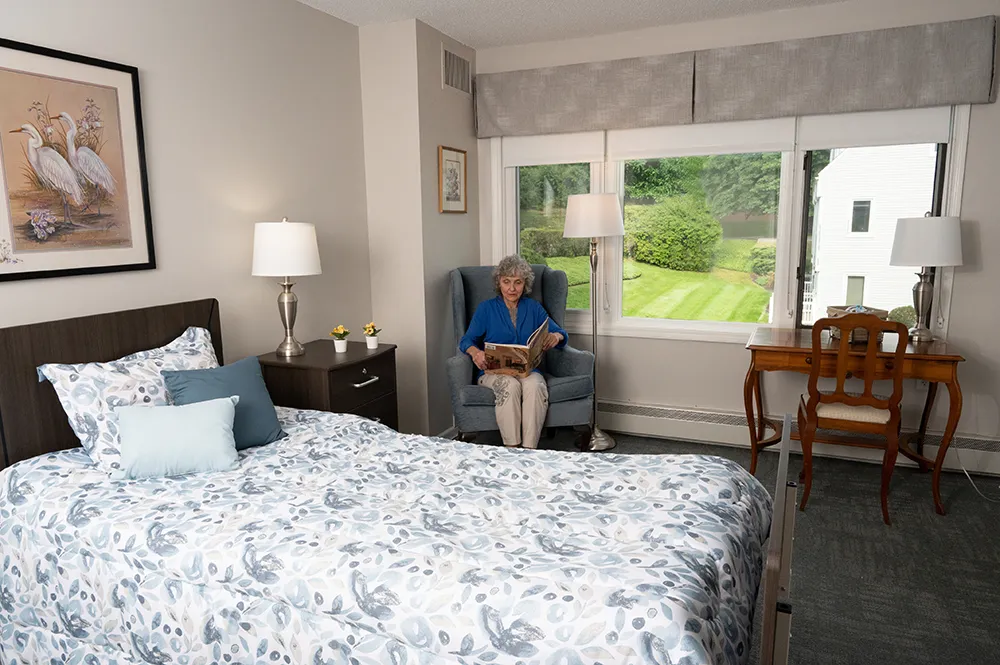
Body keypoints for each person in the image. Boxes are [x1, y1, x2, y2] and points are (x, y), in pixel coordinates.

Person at [459, 254, 568, 449]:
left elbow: (559, 332)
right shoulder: (486, 309)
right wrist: (476, 353)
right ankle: (512, 449)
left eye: (517, 282)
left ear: (524, 284)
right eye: (506, 281)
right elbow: (466, 340)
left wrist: (555, 337)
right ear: (498, 282)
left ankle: (529, 449)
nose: (511, 288)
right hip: (492, 372)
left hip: (528, 372)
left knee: (535, 386)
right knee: (509, 385)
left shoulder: (534, 308)